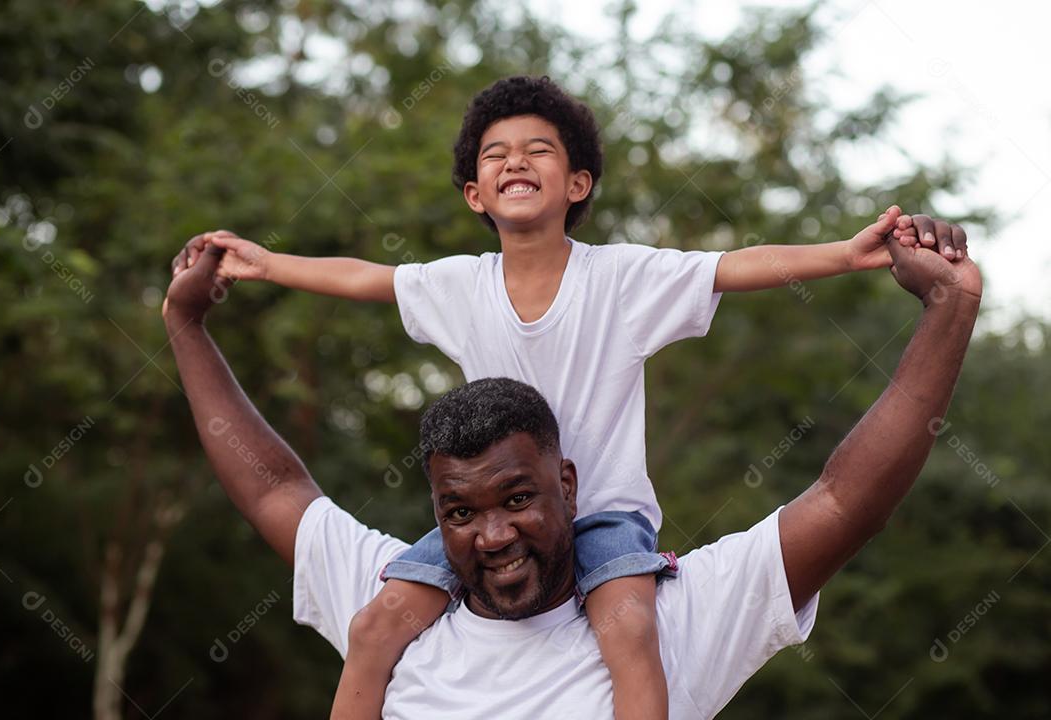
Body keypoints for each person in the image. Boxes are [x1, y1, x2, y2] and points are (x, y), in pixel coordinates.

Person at [174, 75, 970, 720]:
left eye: (539, 151)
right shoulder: (456, 286)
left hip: (609, 518)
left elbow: (737, 265)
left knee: (629, 628)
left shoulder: (621, 278)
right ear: (474, 195)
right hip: (494, 498)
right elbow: (362, 278)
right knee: (377, 621)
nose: (515, 161)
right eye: (495, 155)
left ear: (578, 181)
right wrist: (266, 262)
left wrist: (847, 253)